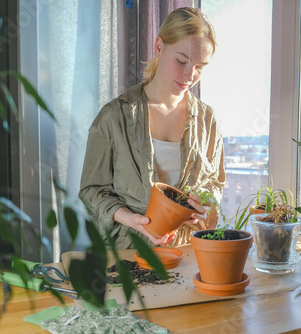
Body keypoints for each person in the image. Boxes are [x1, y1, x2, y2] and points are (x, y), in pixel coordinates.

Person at [79, 7, 225, 249]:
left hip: (189, 254)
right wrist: (131, 219)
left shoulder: (209, 121)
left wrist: (208, 202)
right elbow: (92, 189)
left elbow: (215, 184)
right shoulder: (114, 116)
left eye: (200, 67)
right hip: (129, 253)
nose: (190, 75)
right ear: (159, 47)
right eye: (182, 61)